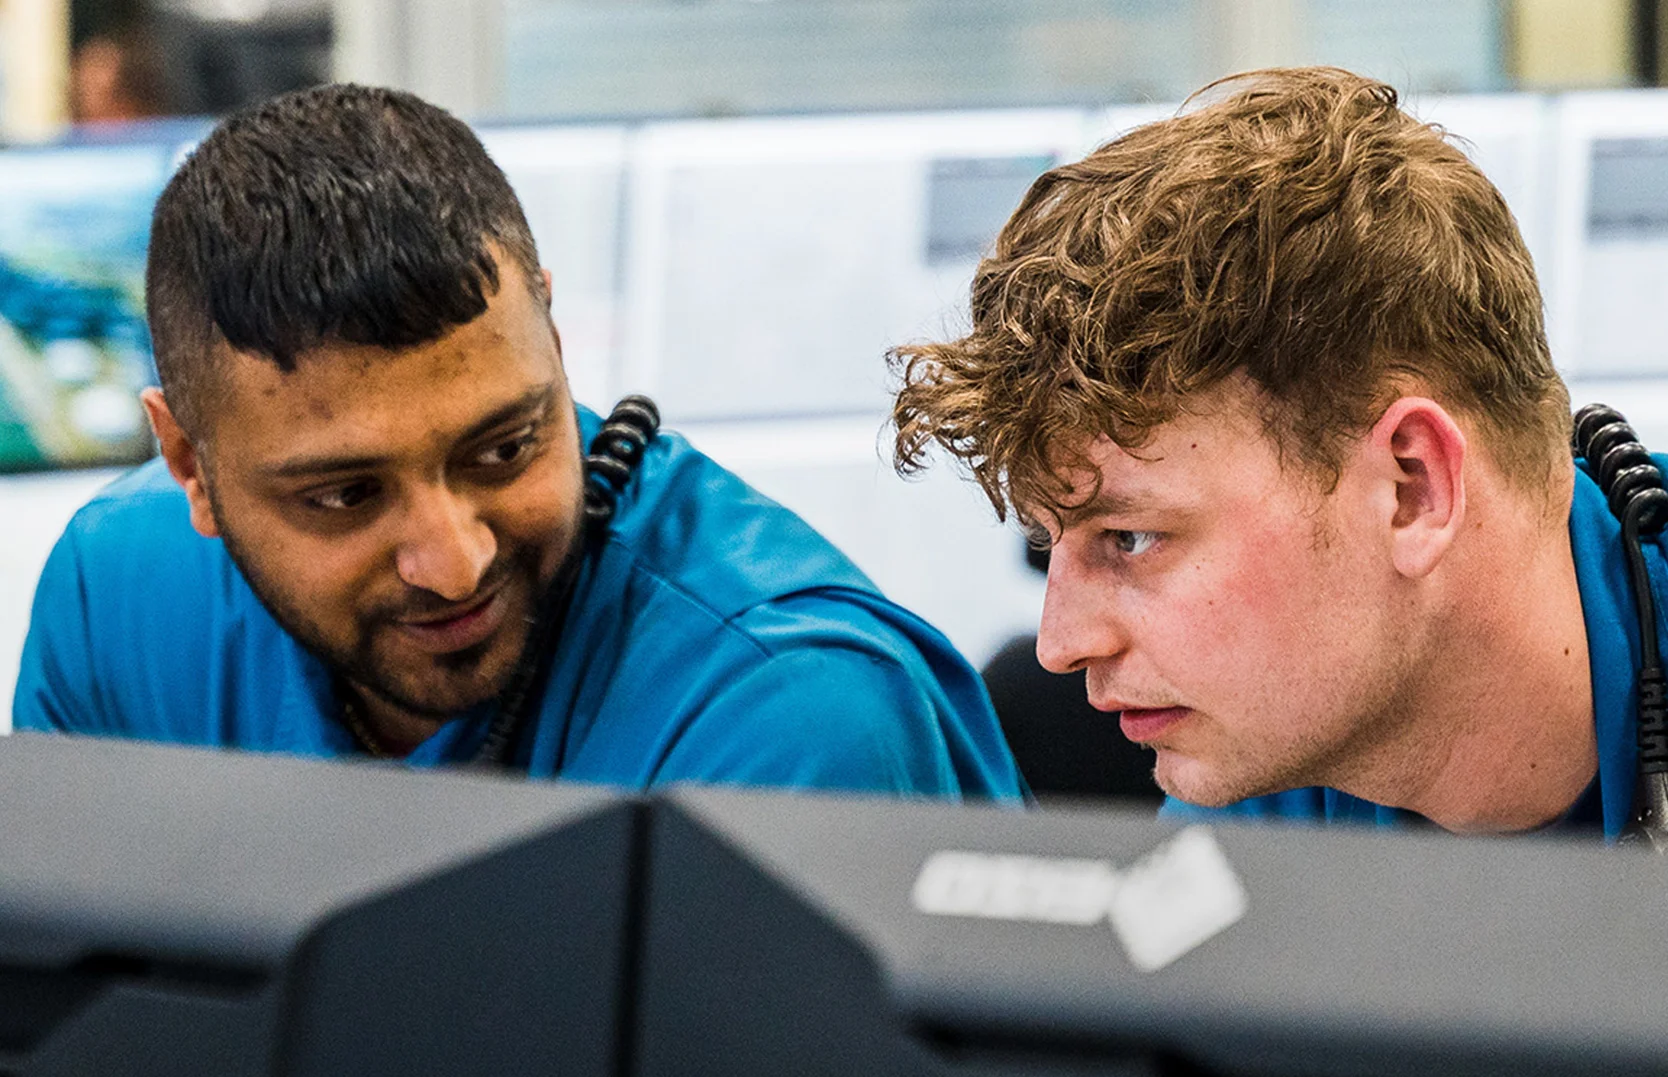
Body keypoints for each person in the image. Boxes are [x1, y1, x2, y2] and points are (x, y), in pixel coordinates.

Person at [16, 86, 1021, 802]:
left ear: (553, 332)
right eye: (346, 497)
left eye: (502, 449)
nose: (454, 563)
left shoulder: (790, 709)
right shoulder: (116, 597)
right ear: (189, 464)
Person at [892, 68, 1642, 836]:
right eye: (1052, 543)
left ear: (1411, 489)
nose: (1061, 646)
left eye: (1132, 537)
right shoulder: (1261, 770)